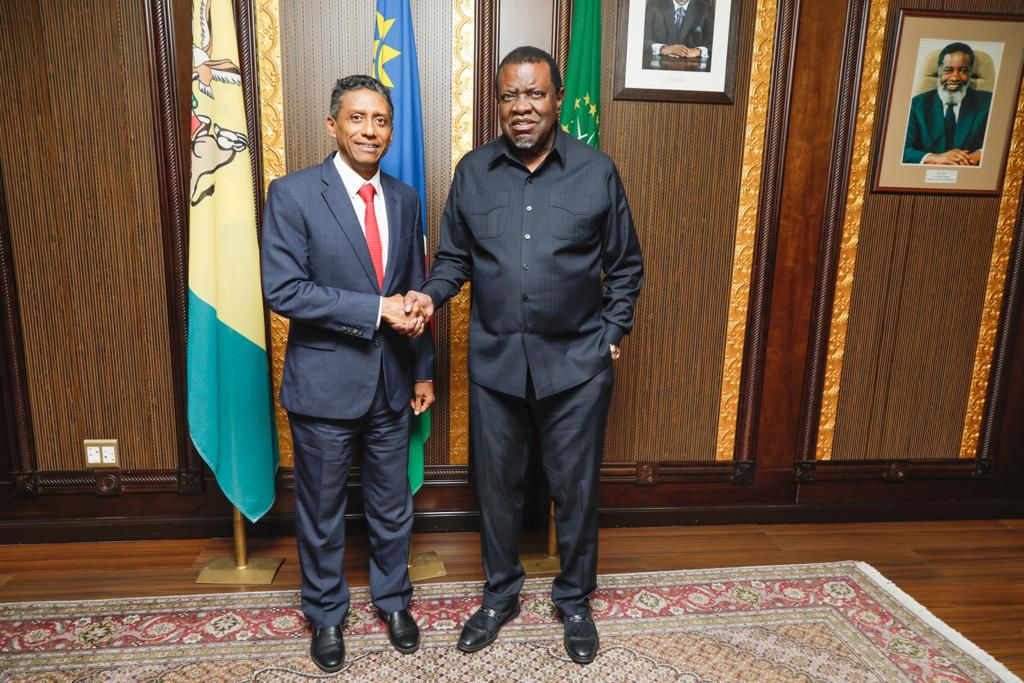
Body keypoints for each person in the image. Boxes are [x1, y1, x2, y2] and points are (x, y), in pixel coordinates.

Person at [406, 46, 643, 665]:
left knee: (576, 490)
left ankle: (575, 602)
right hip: (497, 367)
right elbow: (453, 260)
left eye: (535, 94)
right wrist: (428, 297)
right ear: (498, 103)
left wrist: (610, 334)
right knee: (498, 490)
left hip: (578, 366)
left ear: (558, 100)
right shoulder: (473, 172)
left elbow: (626, 267)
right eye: (510, 95)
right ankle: (499, 597)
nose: (522, 107)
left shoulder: (597, 171)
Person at [261, 74, 434, 674]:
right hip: (324, 387)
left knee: (392, 507)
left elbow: (414, 291)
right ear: (332, 125)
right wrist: (374, 309)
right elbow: (284, 290)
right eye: (357, 118)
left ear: (391, 130)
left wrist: (423, 371)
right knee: (322, 512)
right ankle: (326, 615)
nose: (369, 130)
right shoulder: (292, 194)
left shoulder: (406, 199)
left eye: (380, 120)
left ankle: (394, 602)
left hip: (392, 384)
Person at [903, 42, 992, 165]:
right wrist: (936, 158)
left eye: (963, 71)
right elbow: (903, 150)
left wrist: (977, 156)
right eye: (948, 70)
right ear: (939, 71)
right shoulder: (917, 105)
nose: (955, 78)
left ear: (970, 73)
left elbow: (1001, 143)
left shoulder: (988, 103)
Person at [643, 0, 714, 62]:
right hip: (659, 64)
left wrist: (698, 51)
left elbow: (714, 44)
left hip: (694, 66)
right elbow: (642, 40)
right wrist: (662, 49)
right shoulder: (654, 6)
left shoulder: (705, 8)